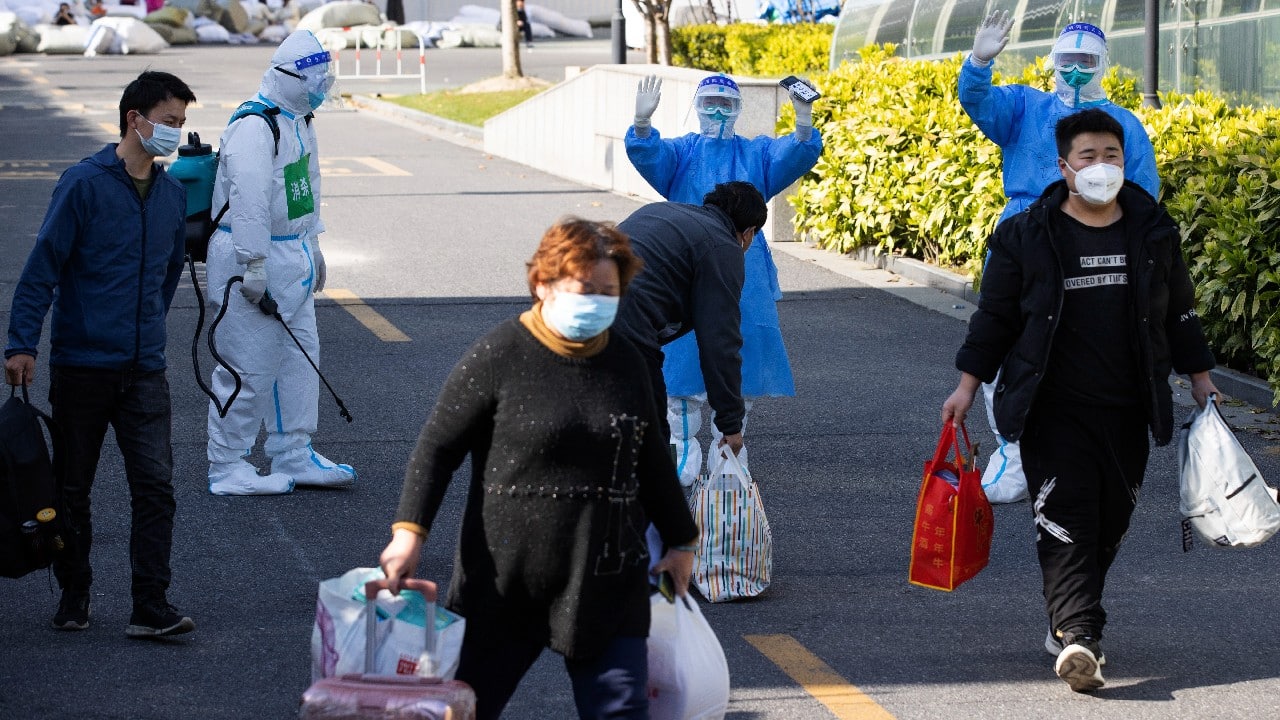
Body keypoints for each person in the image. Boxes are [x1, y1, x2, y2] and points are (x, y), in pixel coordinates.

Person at [940, 109, 1218, 693]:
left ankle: (1068, 617)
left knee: (1110, 521)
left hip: (1128, 406)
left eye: (1111, 156)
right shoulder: (1026, 234)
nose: (1101, 167)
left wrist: (1200, 377)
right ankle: (1079, 634)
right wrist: (967, 386)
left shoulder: (1151, 228)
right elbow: (994, 319)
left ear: (1125, 161)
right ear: (1065, 167)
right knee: (1066, 519)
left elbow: (1179, 310)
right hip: (1052, 407)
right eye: (1088, 158)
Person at [379, 219, 698, 720]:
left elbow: (651, 456)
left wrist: (682, 540)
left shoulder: (628, 362)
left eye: (608, 291)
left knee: (620, 712)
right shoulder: (499, 354)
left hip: (606, 578)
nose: (596, 301)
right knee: (467, 709)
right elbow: (439, 446)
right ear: (542, 284)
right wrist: (409, 533)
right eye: (583, 289)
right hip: (505, 581)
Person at [4, 71, 198, 638]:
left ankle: (150, 605)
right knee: (71, 489)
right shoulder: (83, 185)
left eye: (183, 125)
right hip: (83, 366)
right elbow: (43, 269)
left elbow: (166, 279)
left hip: (143, 369)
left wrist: (145, 334)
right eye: (169, 122)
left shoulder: (171, 195)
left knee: (156, 488)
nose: (176, 135)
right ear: (134, 119)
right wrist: (22, 343)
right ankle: (75, 593)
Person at [960, 12, 1163, 502]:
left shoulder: (1124, 126)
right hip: (1024, 239)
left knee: (1084, 345)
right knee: (1008, 341)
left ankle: (1072, 452)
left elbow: (1144, 195)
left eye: (1086, 61)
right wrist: (978, 62)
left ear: (1103, 65)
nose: (1075, 70)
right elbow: (978, 101)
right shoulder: (1024, 107)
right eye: (1067, 60)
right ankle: (1012, 451)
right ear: (1051, 61)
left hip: (1095, 241)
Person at [626, 72, 822, 486]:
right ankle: (680, 447)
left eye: (727, 104)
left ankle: (728, 445)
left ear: (739, 110)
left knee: (742, 355)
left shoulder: (756, 154)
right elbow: (652, 157)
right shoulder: (681, 152)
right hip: (685, 269)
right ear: (696, 106)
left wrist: (803, 126)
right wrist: (642, 128)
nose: (717, 110)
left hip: (743, 270)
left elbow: (792, 156)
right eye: (709, 102)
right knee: (679, 362)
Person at [204, 29, 355, 496]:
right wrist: (253, 265)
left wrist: (313, 244)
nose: (320, 88)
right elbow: (248, 201)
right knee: (247, 367)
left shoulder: (298, 120)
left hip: (291, 256)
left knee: (298, 360)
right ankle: (227, 465)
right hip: (253, 256)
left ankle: (294, 452)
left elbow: (303, 188)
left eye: (324, 79)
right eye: (313, 79)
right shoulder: (255, 125)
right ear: (285, 75)